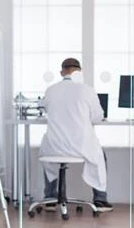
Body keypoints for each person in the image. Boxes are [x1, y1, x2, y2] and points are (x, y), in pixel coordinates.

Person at [38, 57, 112, 211]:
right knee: (100, 155)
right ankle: (100, 200)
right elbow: (97, 117)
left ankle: (50, 198)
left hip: (55, 147)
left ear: (61, 72)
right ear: (79, 72)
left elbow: (44, 109)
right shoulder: (87, 90)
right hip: (80, 147)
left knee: (47, 153)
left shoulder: (51, 90)